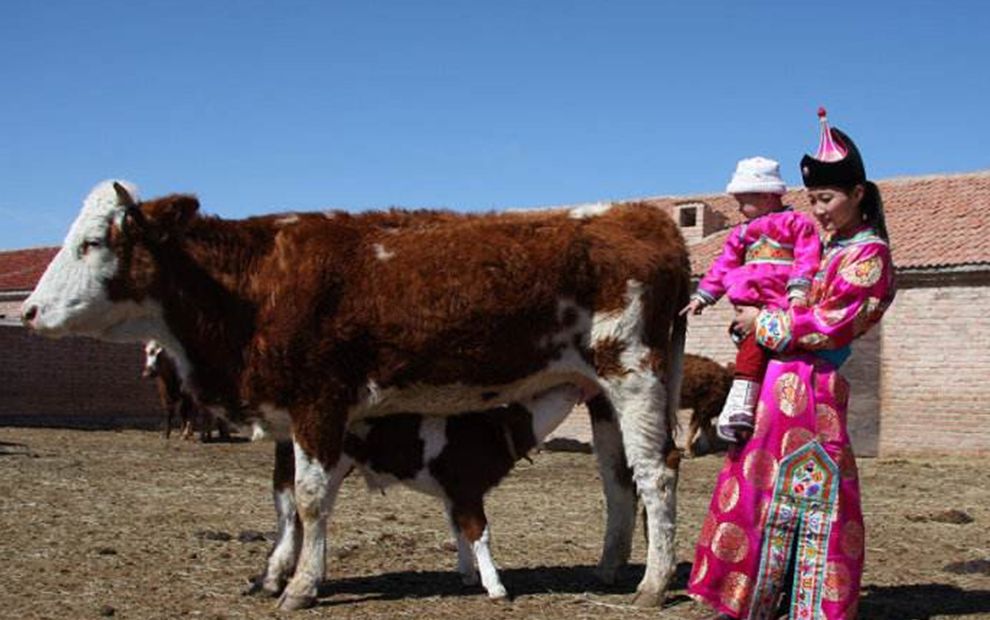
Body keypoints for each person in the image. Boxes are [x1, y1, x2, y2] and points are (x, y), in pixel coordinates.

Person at [687, 109, 896, 620]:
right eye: (814, 201)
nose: (819, 212)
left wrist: (763, 320)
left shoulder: (868, 258)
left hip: (814, 392)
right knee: (755, 493)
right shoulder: (829, 250)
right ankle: (753, 599)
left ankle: (808, 605)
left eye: (827, 199)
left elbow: (827, 324)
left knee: (809, 500)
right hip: (779, 389)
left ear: (859, 195)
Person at [682, 156, 821, 444]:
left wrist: (798, 292)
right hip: (751, 305)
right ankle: (743, 404)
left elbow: (807, 259)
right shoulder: (741, 233)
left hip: (780, 303)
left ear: (768, 196)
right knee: (751, 348)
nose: (739, 208)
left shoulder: (797, 224)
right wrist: (703, 297)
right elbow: (723, 266)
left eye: (744, 200)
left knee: (764, 349)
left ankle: (748, 405)